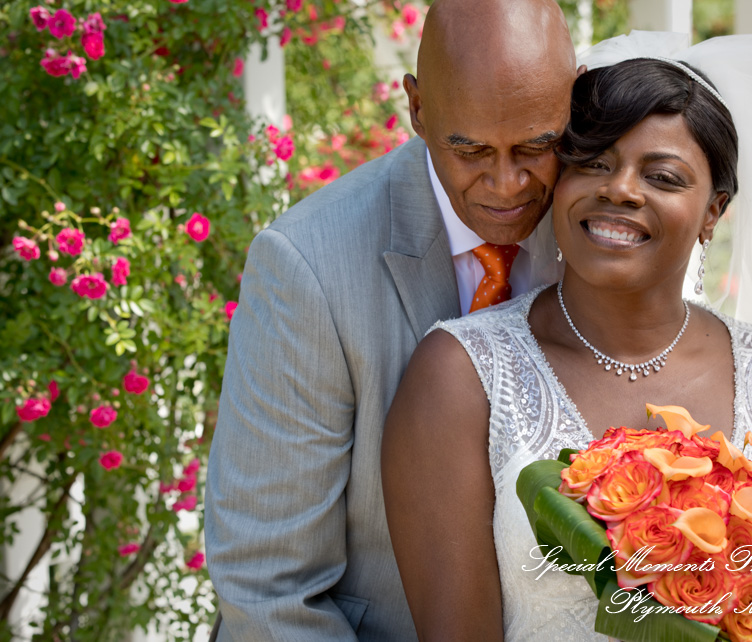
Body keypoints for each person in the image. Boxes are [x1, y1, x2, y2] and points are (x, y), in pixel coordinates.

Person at [382, 32, 752, 641]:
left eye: (664, 176)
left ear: (714, 210)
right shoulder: (461, 373)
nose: (621, 189)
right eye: (593, 163)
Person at [203, 0, 575, 639]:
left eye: (537, 147)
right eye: (473, 151)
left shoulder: (597, 236)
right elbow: (269, 587)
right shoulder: (307, 266)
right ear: (418, 108)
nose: (509, 184)